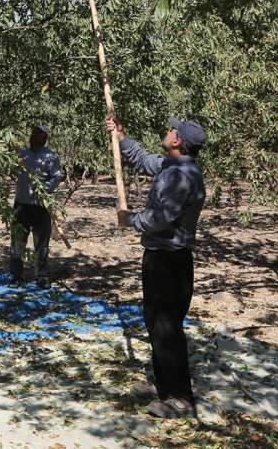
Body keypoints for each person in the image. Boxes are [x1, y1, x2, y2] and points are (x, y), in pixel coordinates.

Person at [106, 114, 207, 419]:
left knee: (167, 327)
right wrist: (121, 137)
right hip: (159, 256)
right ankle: (162, 384)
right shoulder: (170, 166)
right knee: (156, 322)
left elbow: (161, 219)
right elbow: (142, 160)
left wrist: (130, 219)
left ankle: (180, 398)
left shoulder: (182, 176)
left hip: (170, 260)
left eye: (172, 130)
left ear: (177, 141)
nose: (167, 130)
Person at [10, 125, 64, 289]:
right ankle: (16, 276)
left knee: (41, 244)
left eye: (39, 135)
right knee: (17, 242)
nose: (34, 136)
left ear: (45, 138)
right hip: (21, 205)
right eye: (33, 133)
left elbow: (56, 177)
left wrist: (44, 189)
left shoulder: (50, 157)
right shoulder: (22, 154)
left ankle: (41, 276)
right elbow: (13, 172)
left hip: (41, 206)